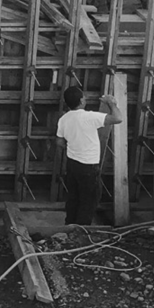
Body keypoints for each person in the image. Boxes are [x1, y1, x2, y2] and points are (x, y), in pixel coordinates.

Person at [55, 85, 123, 226]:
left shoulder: (64, 119)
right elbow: (117, 118)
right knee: (89, 201)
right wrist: (111, 103)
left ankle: (70, 226)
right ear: (81, 101)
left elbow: (59, 142)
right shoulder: (89, 117)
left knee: (73, 198)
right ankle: (82, 231)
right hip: (88, 166)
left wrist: (74, 145)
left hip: (72, 164)